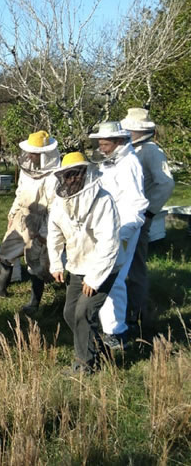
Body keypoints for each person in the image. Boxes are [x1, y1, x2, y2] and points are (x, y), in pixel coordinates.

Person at [48, 152, 121, 374]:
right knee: (70, 313)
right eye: (68, 175)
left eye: (76, 174)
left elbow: (109, 243)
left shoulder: (103, 201)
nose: (72, 179)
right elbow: (54, 233)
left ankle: (85, 365)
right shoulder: (60, 202)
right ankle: (99, 350)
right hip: (77, 266)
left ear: (86, 173)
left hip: (104, 268)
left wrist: (95, 278)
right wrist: (56, 263)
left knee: (84, 313)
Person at [0, 131, 60, 315]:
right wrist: (12, 214)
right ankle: (0, 288)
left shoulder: (53, 176)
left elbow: (54, 208)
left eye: (34, 154)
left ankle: (34, 303)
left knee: (35, 263)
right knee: (6, 252)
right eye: (29, 153)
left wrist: (45, 233)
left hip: (41, 221)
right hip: (22, 217)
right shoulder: (27, 170)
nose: (29, 157)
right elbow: (19, 193)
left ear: (44, 155)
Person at [90, 121, 148, 350]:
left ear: (119, 141)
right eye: (100, 144)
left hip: (123, 229)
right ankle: (107, 324)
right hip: (107, 227)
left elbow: (136, 203)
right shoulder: (111, 162)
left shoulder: (129, 164)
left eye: (105, 144)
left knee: (114, 278)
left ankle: (116, 331)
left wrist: (123, 234)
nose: (101, 148)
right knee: (103, 276)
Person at [120, 108, 174, 330]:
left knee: (136, 267)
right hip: (123, 217)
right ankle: (124, 311)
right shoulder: (131, 149)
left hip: (139, 217)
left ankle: (137, 314)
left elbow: (166, 183)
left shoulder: (151, 151)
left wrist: (150, 212)